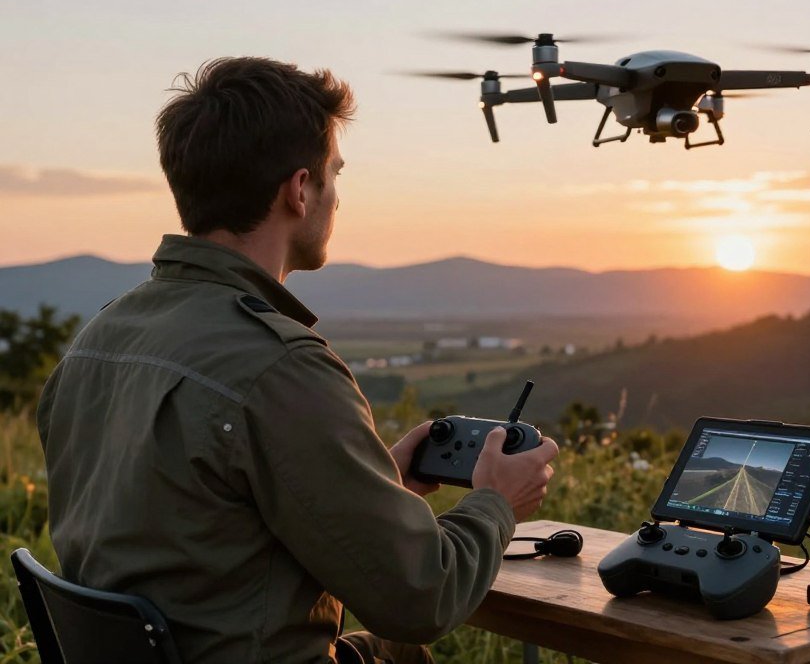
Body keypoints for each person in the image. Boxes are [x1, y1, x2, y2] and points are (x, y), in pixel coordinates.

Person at [36, 57, 560, 664]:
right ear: (301, 188)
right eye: (334, 174)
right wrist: (497, 502)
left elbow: (195, 522)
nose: (337, 196)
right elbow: (424, 599)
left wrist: (366, 482)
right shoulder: (280, 366)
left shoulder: (98, 338)